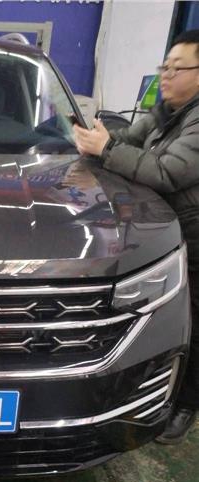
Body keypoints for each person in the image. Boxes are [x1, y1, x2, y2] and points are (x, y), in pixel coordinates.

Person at [74, 29, 199, 444]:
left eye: (178, 68)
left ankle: (185, 404)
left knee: (190, 322)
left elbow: (167, 171)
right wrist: (94, 140)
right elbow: (126, 139)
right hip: (165, 225)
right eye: (165, 66)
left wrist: (108, 150)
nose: (166, 75)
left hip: (192, 234)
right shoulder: (166, 111)